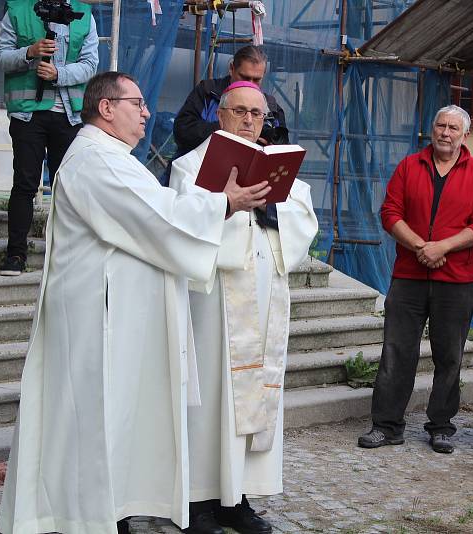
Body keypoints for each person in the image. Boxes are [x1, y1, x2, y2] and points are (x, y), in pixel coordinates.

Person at [0, 71, 270, 534]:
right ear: (107, 108)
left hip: (114, 318)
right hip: (99, 321)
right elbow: (157, 215)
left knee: (114, 422)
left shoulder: (109, 157)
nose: (147, 113)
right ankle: (82, 518)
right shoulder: (95, 160)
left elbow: (154, 210)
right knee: (95, 423)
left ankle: (109, 511)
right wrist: (223, 204)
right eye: (137, 103)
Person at [169, 81, 317, 534]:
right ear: (221, 114)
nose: (251, 120)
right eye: (241, 111)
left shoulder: (277, 163)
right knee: (210, 398)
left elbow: (304, 217)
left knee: (254, 397)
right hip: (213, 299)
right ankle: (197, 503)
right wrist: (226, 206)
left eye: (258, 113)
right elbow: (180, 222)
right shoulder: (190, 165)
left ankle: (239, 500)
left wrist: (272, 209)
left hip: (263, 290)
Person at [358, 105, 473, 454]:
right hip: (409, 275)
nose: (445, 133)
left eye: (453, 128)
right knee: (396, 352)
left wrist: (443, 248)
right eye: (440, 125)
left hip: (457, 278)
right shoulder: (409, 166)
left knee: (449, 356)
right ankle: (387, 426)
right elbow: (390, 213)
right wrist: (422, 246)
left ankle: (441, 427)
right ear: (431, 130)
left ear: (465, 135)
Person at [0, 0, 99, 275]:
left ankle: (66, 256)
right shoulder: (18, 10)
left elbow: (91, 64)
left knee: (67, 188)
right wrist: (29, 52)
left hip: (68, 116)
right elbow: (1, 57)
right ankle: (16, 254)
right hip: (27, 115)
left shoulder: (84, 14)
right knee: (25, 184)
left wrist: (58, 74)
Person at [164, 45, 287, 188]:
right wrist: (228, 130)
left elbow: (284, 150)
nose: (249, 84)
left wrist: (272, 149)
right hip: (194, 180)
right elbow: (182, 131)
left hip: (247, 185)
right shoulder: (207, 92)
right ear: (231, 69)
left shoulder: (271, 105)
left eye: (256, 80)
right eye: (245, 77)